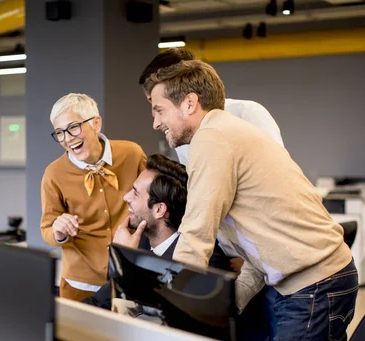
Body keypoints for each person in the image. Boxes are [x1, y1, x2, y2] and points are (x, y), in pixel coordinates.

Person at [143, 60, 357, 341]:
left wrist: (174, 309)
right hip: (312, 284)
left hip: (315, 287)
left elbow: (196, 233)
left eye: (159, 110)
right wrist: (227, 304)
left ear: (189, 103)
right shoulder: (224, 133)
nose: (155, 122)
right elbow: (259, 247)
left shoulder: (213, 138)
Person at [83, 154, 230, 311]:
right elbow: (100, 302)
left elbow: (164, 320)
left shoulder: (205, 260)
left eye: (135, 193)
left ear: (159, 210)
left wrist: (123, 259)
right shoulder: (141, 242)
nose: (126, 197)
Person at [41, 93, 147, 301]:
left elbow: (152, 202)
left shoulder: (132, 154)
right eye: (59, 133)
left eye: (73, 127)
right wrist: (59, 230)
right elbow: (47, 229)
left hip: (132, 274)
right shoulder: (54, 174)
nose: (67, 138)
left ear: (96, 123)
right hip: (81, 284)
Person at [139, 48, 284, 166]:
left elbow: (278, 169)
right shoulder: (182, 132)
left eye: (156, 101)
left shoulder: (248, 112)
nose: (156, 120)